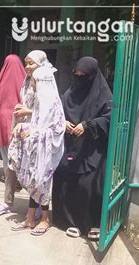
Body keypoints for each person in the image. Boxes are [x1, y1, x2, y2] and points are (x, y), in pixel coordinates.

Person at [52, 57, 112, 240]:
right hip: (70, 146)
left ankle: (92, 223)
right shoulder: (68, 95)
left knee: (89, 185)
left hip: (92, 148)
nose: (78, 79)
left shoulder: (104, 95)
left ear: (92, 76)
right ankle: (70, 222)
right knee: (66, 181)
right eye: (75, 75)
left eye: (83, 76)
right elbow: (56, 114)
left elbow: (109, 118)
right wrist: (65, 123)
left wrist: (88, 125)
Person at [8, 50, 65, 236]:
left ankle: (45, 219)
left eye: (31, 63)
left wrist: (31, 129)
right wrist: (25, 128)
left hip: (46, 148)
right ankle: (30, 218)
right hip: (34, 145)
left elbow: (52, 124)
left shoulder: (49, 98)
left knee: (43, 180)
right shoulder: (38, 93)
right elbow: (37, 120)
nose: (32, 83)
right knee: (33, 179)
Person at [0, 54, 26, 216]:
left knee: (8, 164)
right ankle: (35, 205)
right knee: (26, 165)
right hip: (23, 130)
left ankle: (8, 200)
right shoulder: (26, 81)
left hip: (4, 128)